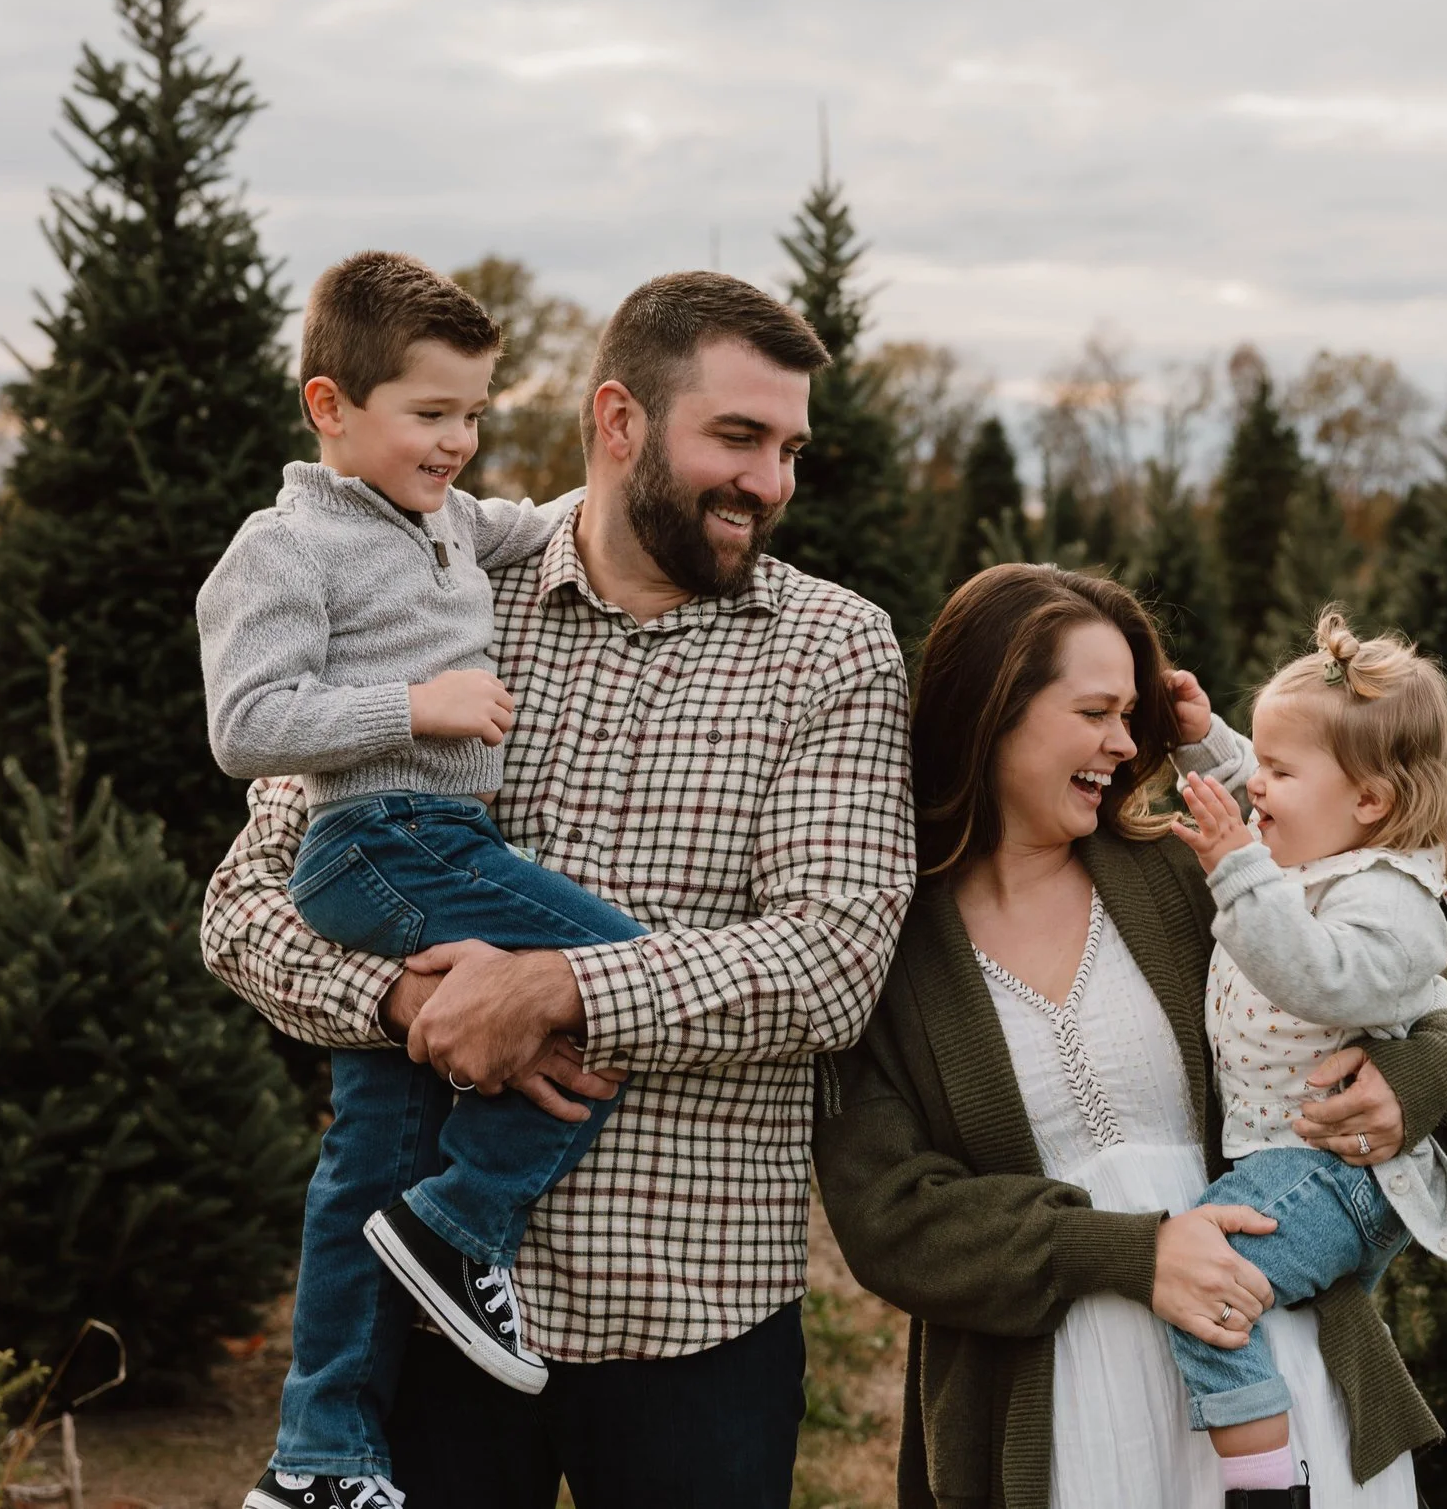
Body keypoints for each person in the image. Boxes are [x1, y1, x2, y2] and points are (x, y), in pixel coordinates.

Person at [201, 269, 917, 1509]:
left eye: (790, 446)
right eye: (737, 436)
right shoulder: (436, 592)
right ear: (619, 421)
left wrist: (551, 987)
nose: (771, 480)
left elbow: (832, 958)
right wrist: (396, 1001)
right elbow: (244, 905)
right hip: (436, 1339)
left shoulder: (833, 646)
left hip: (691, 1315)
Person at [814, 565, 1447, 1509]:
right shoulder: (881, 941)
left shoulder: (1188, 873)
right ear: (995, 709)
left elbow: (1411, 989)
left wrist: (1408, 1080)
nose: (1126, 743)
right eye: (1096, 710)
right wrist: (1131, 1253)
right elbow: (889, 1217)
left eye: (1132, 712)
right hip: (1061, 1421)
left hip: (1280, 1386)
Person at [198, 254, 656, 1509]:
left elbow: (553, 521)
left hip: (427, 845)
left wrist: (630, 471)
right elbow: (246, 723)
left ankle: (317, 1459)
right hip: (384, 842)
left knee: (366, 1152)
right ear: (329, 405)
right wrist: (419, 703)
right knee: (617, 971)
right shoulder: (285, 547)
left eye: (472, 414)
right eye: (428, 413)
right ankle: (458, 1226)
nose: (456, 442)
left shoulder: (446, 517)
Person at [1164, 608, 1447, 1504]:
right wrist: (1200, 741)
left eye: (1279, 769)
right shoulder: (1320, 836)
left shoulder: (1393, 900)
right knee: (1218, 1286)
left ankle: (1263, 1486)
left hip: (1331, 1172)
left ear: (1371, 801)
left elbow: (1319, 976)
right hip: (1289, 1161)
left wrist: (1232, 866)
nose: (1256, 787)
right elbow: (1265, 795)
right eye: (1255, 761)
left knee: (1211, 1291)